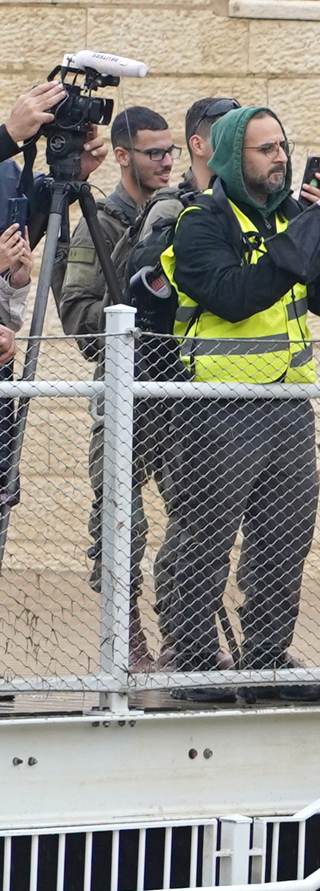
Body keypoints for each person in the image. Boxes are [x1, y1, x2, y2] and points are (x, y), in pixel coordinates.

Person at [151, 104, 320, 699]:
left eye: (282, 145)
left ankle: (267, 661)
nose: (280, 157)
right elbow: (234, 296)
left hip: (287, 403)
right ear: (232, 157)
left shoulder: (291, 219)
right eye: (265, 149)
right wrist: (304, 235)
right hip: (217, 405)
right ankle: (195, 662)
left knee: (285, 534)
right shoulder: (200, 221)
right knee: (204, 535)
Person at [50, 102, 177, 666]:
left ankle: (186, 639)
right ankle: (125, 640)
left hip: (178, 383)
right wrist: (135, 280)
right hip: (122, 386)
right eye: (154, 152)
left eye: (170, 150)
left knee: (196, 515)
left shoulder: (179, 212)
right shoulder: (100, 223)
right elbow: (80, 322)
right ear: (121, 156)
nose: (166, 162)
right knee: (121, 517)